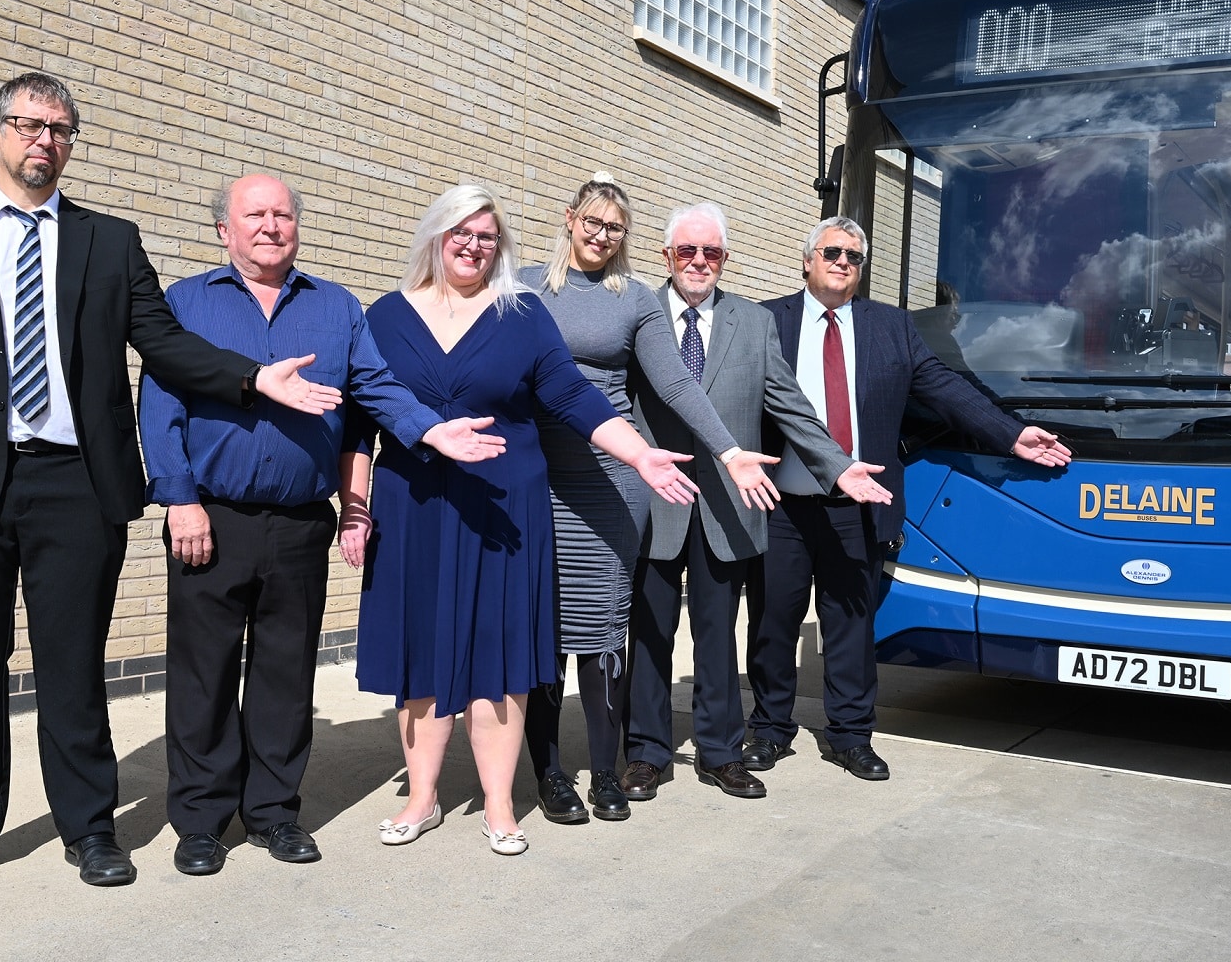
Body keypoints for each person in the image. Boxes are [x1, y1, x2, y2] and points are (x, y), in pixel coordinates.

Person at [0, 73, 343, 896]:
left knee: (72, 667)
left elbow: (164, 344)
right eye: (28, 125)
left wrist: (252, 379)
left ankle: (89, 829)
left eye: (60, 128)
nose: (43, 140)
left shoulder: (109, 241)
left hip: (76, 487)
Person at [136, 174, 506, 876]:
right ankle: (202, 820)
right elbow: (160, 407)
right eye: (256, 215)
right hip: (209, 517)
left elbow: (375, 390)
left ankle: (274, 812)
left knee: (284, 673)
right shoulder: (185, 303)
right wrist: (178, 498)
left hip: (302, 521)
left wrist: (430, 432)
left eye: (283, 214)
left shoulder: (336, 308)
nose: (271, 225)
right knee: (202, 676)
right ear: (225, 230)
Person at [341, 183, 697, 856]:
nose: (474, 246)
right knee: (422, 651)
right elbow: (358, 422)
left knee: (500, 655)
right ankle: (423, 798)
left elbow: (570, 393)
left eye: (487, 235)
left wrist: (639, 452)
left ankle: (500, 804)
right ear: (436, 237)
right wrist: (353, 510)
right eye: (461, 233)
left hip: (504, 503)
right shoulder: (383, 316)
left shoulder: (521, 312)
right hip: (413, 506)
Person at [745, 217, 1071, 781]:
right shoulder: (765, 322)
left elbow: (946, 389)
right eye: (831, 252)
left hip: (860, 504)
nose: (842, 262)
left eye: (853, 255)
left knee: (849, 625)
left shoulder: (891, 328)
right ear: (807, 260)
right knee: (774, 623)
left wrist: (1011, 433)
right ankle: (770, 729)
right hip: (784, 505)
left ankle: (849, 735)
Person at [517, 173, 781, 825]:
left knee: (606, 629)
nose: (603, 236)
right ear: (569, 217)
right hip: (535, 479)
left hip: (612, 480)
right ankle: (550, 771)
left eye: (616, 228)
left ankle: (606, 771)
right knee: (542, 632)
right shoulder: (520, 287)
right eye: (594, 222)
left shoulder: (635, 300)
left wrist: (726, 449)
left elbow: (675, 386)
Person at [621, 203, 892, 803]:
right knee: (650, 633)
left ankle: (720, 752)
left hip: (727, 504)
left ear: (724, 260)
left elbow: (788, 403)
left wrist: (838, 465)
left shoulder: (752, 321)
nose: (698, 262)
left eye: (711, 253)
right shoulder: (637, 311)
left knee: (716, 635)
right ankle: (646, 753)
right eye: (687, 251)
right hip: (654, 499)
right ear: (666, 256)